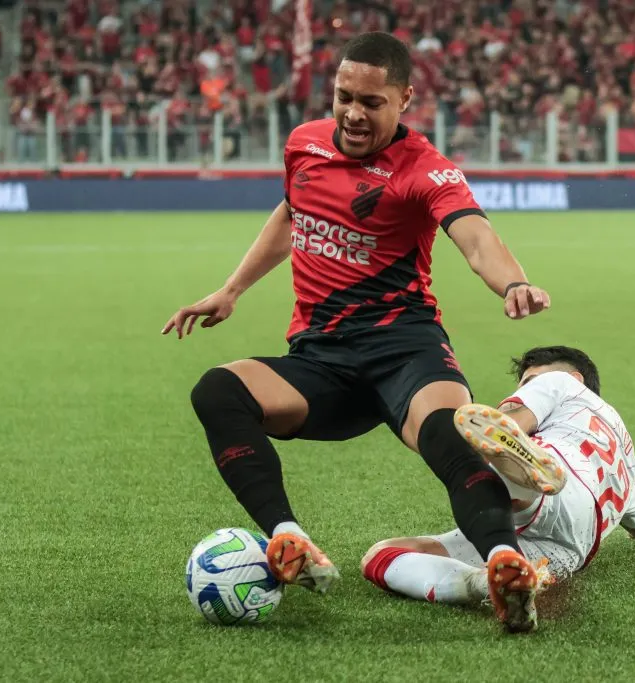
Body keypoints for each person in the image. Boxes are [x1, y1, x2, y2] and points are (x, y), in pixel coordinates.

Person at [163, 32, 552, 633]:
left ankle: (505, 562)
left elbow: (474, 236)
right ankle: (290, 539)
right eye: (344, 96)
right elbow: (294, 213)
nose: (352, 113)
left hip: (405, 350)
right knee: (218, 391)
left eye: (371, 102)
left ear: (404, 100)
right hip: (322, 362)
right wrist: (233, 288)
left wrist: (512, 284)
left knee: (451, 437)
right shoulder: (305, 144)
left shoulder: (426, 169)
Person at [362, 346, 635, 628]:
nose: (523, 388)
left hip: (557, 481)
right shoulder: (628, 461)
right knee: (384, 554)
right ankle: (487, 583)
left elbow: (509, 423)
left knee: (494, 455)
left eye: (529, 381)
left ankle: (515, 471)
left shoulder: (560, 383)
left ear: (575, 377)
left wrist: (501, 429)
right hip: (565, 551)